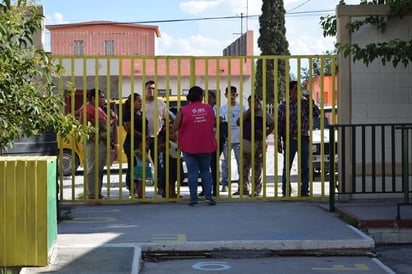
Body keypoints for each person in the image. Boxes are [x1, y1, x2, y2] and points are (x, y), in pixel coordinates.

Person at [173, 85, 217, 206]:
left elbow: (175, 126)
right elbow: (212, 123)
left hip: (189, 145)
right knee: (205, 171)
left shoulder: (184, 110)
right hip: (206, 145)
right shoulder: (208, 109)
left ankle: (194, 199)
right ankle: (209, 196)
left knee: (192, 172)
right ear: (201, 97)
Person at [278, 81, 320, 197]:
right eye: (296, 89)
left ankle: (304, 190)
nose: (298, 91)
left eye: (299, 89)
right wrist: (278, 141)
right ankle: (286, 191)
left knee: (305, 166)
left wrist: (310, 101)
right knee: (287, 166)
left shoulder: (305, 104)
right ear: (290, 90)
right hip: (290, 139)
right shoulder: (283, 106)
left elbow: (317, 114)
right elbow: (279, 125)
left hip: (303, 138)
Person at [80, 88, 117, 203]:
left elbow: (105, 125)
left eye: (103, 97)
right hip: (93, 143)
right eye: (101, 97)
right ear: (93, 98)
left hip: (102, 142)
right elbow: (83, 124)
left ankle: (98, 193)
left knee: (99, 169)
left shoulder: (101, 109)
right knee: (92, 169)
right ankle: (91, 195)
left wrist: (113, 119)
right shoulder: (88, 109)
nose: (103, 99)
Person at [237, 95, 274, 197]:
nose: (251, 104)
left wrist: (265, 133)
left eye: (254, 102)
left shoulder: (263, 113)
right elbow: (239, 122)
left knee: (257, 167)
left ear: (258, 103)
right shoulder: (246, 113)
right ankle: (245, 189)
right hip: (246, 142)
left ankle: (256, 190)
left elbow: (273, 123)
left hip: (259, 143)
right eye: (249, 102)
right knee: (245, 167)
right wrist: (249, 112)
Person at [123, 92, 150, 199]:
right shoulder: (128, 114)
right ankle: (132, 190)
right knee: (133, 166)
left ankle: (140, 192)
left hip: (142, 144)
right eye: (138, 101)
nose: (140, 103)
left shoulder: (141, 114)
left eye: (141, 101)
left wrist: (146, 139)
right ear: (132, 102)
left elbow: (146, 126)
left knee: (141, 167)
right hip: (132, 143)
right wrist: (143, 136)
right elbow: (130, 129)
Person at [144, 80, 167, 196]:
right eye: (149, 88)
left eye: (154, 89)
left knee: (159, 164)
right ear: (145, 89)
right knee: (141, 164)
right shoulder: (140, 103)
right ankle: (138, 190)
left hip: (157, 138)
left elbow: (166, 120)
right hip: (143, 138)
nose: (151, 91)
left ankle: (161, 187)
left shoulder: (161, 104)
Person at [219, 86, 244, 195]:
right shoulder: (222, 108)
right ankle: (225, 184)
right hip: (226, 140)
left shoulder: (242, 108)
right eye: (230, 94)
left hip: (238, 139)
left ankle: (241, 185)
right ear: (226, 95)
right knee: (225, 163)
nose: (232, 96)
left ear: (237, 95)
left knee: (241, 163)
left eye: (234, 94)